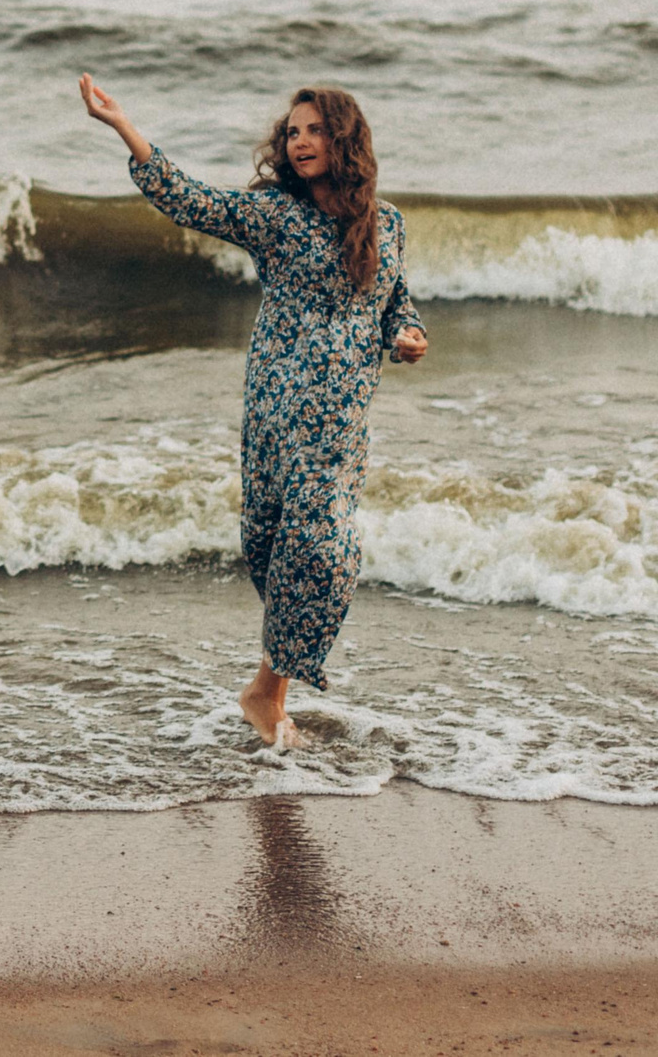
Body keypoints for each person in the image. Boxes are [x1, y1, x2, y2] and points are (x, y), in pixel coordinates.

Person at [78, 74, 427, 748]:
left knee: (324, 551)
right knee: (272, 544)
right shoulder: (275, 217)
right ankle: (271, 696)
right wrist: (126, 127)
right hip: (276, 407)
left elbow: (392, 299)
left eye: (315, 130)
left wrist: (405, 334)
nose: (300, 142)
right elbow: (191, 201)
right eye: (292, 132)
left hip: (341, 419)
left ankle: (264, 691)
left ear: (344, 139)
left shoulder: (388, 224)